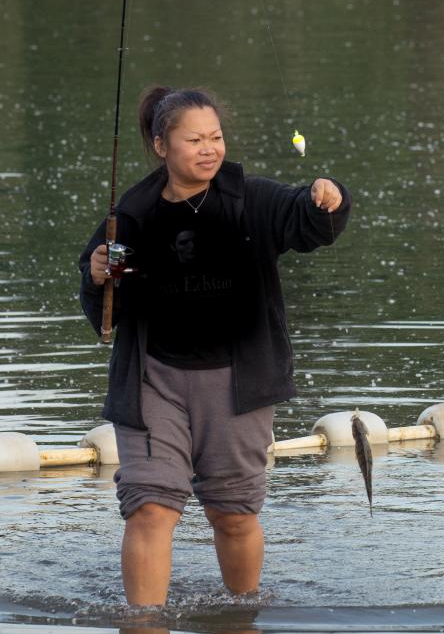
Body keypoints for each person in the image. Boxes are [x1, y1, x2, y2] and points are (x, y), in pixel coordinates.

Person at [78, 87, 350, 606]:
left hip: (237, 385)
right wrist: (96, 278)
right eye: (194, 139)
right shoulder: (132, 212)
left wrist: (327, 196)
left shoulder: (251, 198)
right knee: (150, 508)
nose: (209, 149)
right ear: (162, 145)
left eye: (216, 137)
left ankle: (243, 624)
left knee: (233, 514)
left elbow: (309, 221)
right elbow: (103, 307)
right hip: (152, 383)